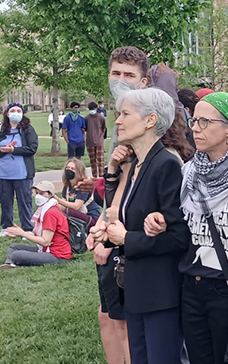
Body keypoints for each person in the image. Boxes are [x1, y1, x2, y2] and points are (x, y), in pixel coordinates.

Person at [145, 92, 228, 364]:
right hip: (192, 284)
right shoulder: (188, 172)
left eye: (204, 122)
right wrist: (160, 221)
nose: (195, 128)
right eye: (193, 120)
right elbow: (181, 223)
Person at [92, 87, 189, 364]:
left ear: (150, 120)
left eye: (125, 114)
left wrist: (125, 239)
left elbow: (178, 238)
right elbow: (130, 222)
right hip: (135, 289)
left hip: (160, 293)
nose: (117, 121)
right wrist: (109, 235)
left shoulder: (166, 165)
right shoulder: (136, 165)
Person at [87, 46, 150, 364]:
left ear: (144, 81)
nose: (121, 80)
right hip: (112, 228)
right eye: (116, 73)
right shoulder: (120, 119)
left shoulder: (146, 122)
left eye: (129, 75)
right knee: (107, 316)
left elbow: (133, 186)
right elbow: (115, 183)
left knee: (124, 325)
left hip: (130, 236)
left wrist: (109, 237)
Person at [0, 181, 72, 269]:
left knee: (16, 255)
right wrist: (19, 232)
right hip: (45, 250)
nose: (38, 196)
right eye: (36, 193)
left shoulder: (50, 213)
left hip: (57, 255)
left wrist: (23, 233)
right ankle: (10, 265)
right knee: (14, 247)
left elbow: (45, 241)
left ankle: (14, 262)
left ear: (50, 194)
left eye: (41, 193)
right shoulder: (45, 209)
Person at [0, 103, 38, 236]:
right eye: (12, 111)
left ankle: (28, 229)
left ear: (22, 113)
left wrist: (14, 150)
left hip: (22, 174)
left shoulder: (28, 129)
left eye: (18, 111)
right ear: (7, 114)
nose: (15, 113)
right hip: (3, 173)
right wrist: (3, 150)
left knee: (24, 202)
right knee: (5, 201)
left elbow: (32, 148)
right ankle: (6, 227)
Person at [54, 158, 101, 229]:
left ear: (79, 171)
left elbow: (76, 206)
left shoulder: (83, 186)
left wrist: (57, 199)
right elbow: (63, 205)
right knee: (56, 211)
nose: (69, 170)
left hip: (92, 218)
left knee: (68, 211)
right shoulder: (67, 186)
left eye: (72, 168)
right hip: (78, 216)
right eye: (67, 168)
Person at [86, 101, 107, 177]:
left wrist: (101, 136)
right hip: (90, 142)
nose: (92, 110)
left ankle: (101, 176)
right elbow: (85, 128)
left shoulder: (100, 117)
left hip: (99, 142)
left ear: (96, 108)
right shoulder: (87, 118)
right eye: (90, 109)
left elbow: (104, 127)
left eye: (93, 108)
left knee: (100, 160)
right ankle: (94, 176)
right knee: (92, 161)